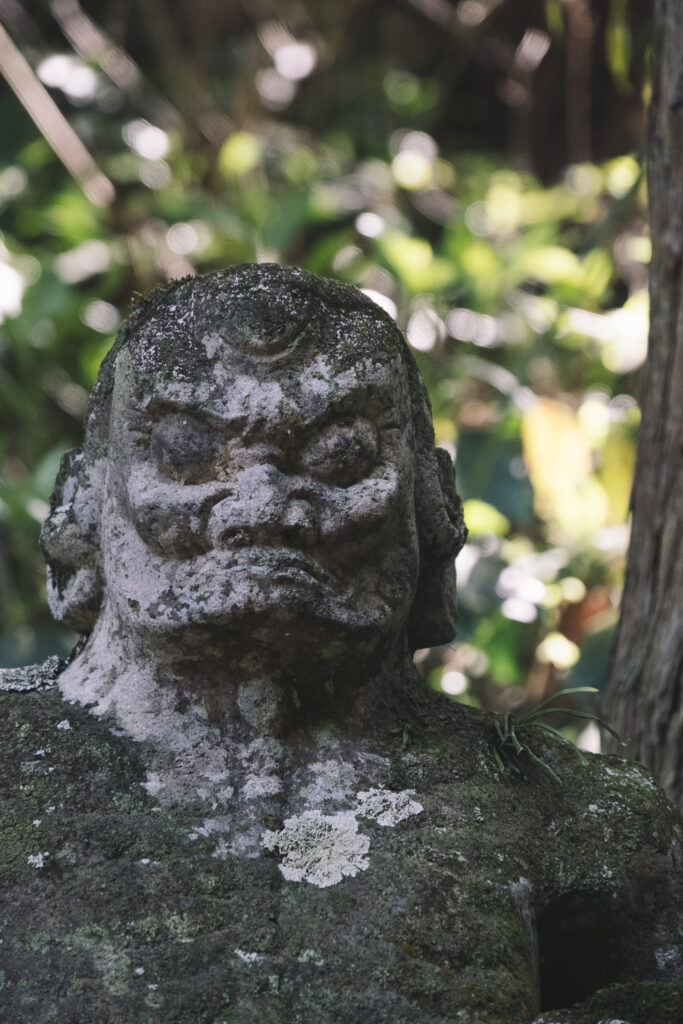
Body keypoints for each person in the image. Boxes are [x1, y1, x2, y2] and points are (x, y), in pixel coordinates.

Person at [0, 265, 680, 1024]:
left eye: (340, 456)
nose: (258, 508)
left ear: (430, 504)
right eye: (187, 448)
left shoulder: (573, 817)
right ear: (84, 499)